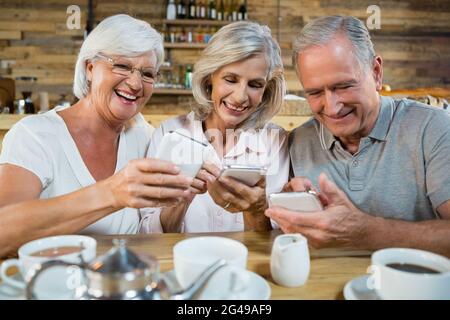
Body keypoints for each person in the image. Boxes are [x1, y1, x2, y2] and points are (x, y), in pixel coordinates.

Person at [0, 14, 193, 257]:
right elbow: (3, 234)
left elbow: (158, 232)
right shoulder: (35, 134)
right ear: (90, 68)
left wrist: (182, 195)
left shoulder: (146, 136)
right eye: (122, 66)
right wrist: (112, 192)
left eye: (148, 74)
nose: (135, 84)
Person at [265, 15, 450, 257]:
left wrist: (362, 231)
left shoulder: (433, 128)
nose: (331, 108)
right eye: (315, 92)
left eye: (343, 86)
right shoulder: (299, 140)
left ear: (376, 72)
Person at [140, 21, 289, 233]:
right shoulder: (169, 133)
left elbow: (279, 238)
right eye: (230, 79)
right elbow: (147, 235)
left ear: (266, 89)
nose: (240, 97)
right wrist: (181, 199)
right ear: (210, 78)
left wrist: (256, 210)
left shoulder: (275, 141)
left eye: (255, 85)